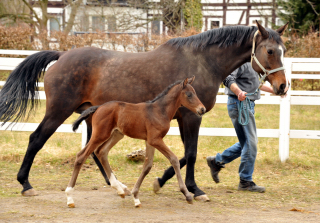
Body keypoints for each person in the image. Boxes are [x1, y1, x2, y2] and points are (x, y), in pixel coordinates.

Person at [206, 62, 275, 193]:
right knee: (251, 143)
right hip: (239, 103)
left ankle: (217, 161)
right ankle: (245, 181)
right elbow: (227, 78)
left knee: (246, 143)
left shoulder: (253, 63)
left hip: (244, 104)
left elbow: (255, 84)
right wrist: (238, 92)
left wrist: (274, 90)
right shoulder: (241, 62)